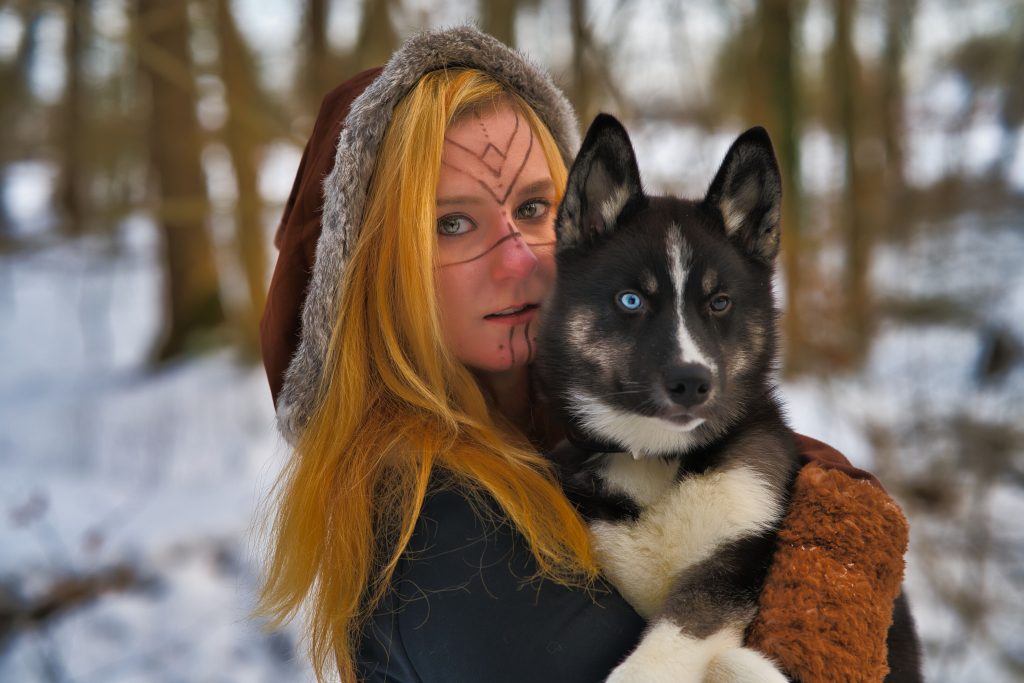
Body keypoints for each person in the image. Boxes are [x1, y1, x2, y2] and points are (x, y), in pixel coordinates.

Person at [257, 26, 920, 682]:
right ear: (370, 274)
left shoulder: (561, 438)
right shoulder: (442, 535)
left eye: (537, 206)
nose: (521, 258)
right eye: (451, 223)